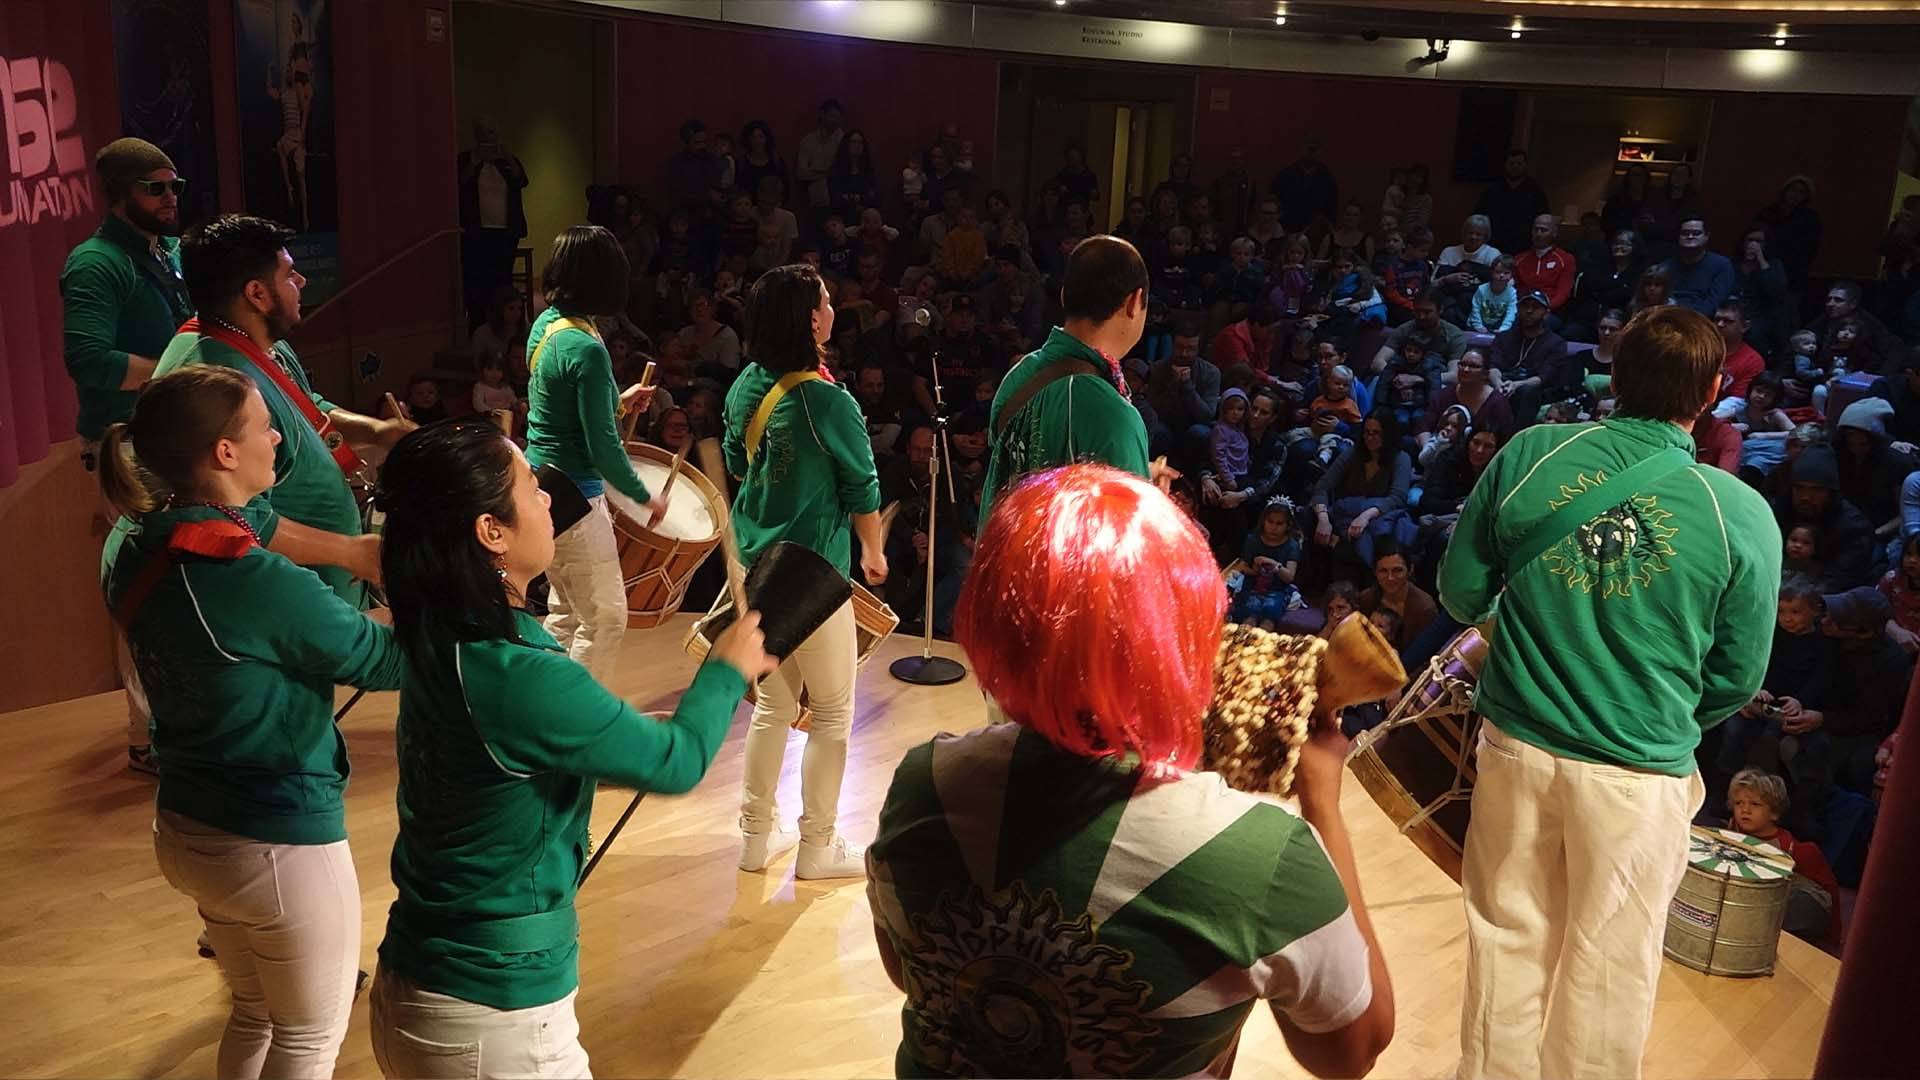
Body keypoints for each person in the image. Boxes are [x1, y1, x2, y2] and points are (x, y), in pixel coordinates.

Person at [867, 464, 1395, 1079]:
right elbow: (1351, 1051)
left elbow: (907, 969)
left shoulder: (925, 780)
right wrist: (1322, 806)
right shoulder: (1260, 853)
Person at [366, 420, 774, 1078]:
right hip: (491, 1012)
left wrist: (612, 741)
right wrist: (726, 670)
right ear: (489, 531)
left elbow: (497, 765)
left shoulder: (439, 628)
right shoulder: (519, 668)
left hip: (423, 986)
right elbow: (677, 763)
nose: (549, 499)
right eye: (531, 488)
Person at [1438, 305, 1779, 1080]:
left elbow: (1461, 592)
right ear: (1713, 390)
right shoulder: (1742, 513)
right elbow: (1737, 676)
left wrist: (1534, 640)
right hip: (1640, 773)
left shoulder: (1530, 452)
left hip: (1518, 747)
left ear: (1613, 374)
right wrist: (1648, 715)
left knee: (1506, 937)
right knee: (1609, 967)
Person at [102, 367, 404, 1076]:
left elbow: (251, 548)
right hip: (272, 839)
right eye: (264, 425)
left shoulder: (131, 541)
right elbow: (383, 661)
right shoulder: (246, 575)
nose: (278, 436)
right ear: (225, 454)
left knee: (257, 1014)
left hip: (187, 822)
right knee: (307, 1037)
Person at [723, 263, 890, 880]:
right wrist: (872, 551)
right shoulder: (826, 399)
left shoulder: (745, 386)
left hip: (756, 560)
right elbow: (863, 486)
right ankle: (817, 845)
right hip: (814, 570)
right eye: (824, 302)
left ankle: (753, 837)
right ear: (808, 319)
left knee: (772, 707)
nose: (832, 310)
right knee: (832, 712)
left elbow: (743, 467)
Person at [156, 214, 401, 607]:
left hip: (328, 589)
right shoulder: (212, 381)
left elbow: (305, 406)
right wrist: (348, 552)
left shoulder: (255, 339)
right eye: (289, 274)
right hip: (293, 600)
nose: (300, 282)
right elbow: (234, 517)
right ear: (257, 293)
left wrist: (377, 431)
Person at [61, 136, 197, 772]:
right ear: (117, 194)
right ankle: (149, 737)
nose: (171, 199)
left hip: (173, 438)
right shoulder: (95, 263)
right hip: (127, 448)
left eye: (174, 186)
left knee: (188, 591)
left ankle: (184, 725)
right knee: (146, 593)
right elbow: (88, 360)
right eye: (156, 188)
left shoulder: (165, 252)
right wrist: (177, 371)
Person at [521, 226, 663, 683]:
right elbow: (603, 447)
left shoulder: (547, 325)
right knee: (604, 619)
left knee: (565, 611)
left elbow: (560, 407)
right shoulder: (587, 347)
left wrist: (618, 400)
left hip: (538, 483)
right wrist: (644, 495)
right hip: (576, 496)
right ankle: (578, 724)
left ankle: (547, 708)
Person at [980, 235, 1158, 525]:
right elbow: (1129, 537)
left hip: (1002, 563)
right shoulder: (1111, 413)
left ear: (1064, 295)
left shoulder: (1020, 375)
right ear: (1134, 302)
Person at [457, 118, 529, 330]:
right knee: (477, 280)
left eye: (493, 133)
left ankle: (506, 324)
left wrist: (507, 158)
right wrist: (476, 161)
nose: (490, 138)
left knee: (503, 279)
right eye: (486, 133)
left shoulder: (506, 161)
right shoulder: (465, 159)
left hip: (506, 232)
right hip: (476, 232)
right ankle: (478, 325)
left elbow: (522, 180)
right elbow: (459, 183)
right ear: (477, 136)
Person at [1475, 149, 1550, 256]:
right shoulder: (1492, 190)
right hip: (1494, 244)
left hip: (1525, 246)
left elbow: (1544, 219)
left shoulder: (1536, 191)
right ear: (1505, 165)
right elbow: (1480, 217)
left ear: (1525, 165)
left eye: (1519, 163)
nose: (1515, 167)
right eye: (1511, 163)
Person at [1660, 218, 1735, 316]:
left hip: (1702, 321)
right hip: (1667, 317)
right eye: (1685, 233)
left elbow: (1714, 304)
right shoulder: (1666, 266)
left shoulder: (1722, 265)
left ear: (1706, 236)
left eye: (1696, 233)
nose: (1690, 236)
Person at [1271, 139, 1339, 234]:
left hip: (1315, 233)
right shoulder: (1285, 176)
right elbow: (1273, 203)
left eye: (1316, 149)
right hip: (1287, 229)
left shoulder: (1327, 180)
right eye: (1310, 149)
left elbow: (1330, 214)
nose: (1313, 153)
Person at [1513, 215, 1575, 319]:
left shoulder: (1565, 259)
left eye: (1543, 230)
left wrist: (1542, 309)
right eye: (1536, 229)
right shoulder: (1519, 259)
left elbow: (1563, 292)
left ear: (1554, 233)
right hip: (1522, 309)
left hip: (1550, 311)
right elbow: (1515, 289)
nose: (1538, 234)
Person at [795, 98, 845, 213]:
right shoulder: (808, 141)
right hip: (816, 201)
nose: (835, 121)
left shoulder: (844, 140)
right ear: (822, 115)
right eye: (832, 116)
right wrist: (829, 172)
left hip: (840, 200)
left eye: (838, 117)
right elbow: (801, 173)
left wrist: (815, 171)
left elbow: (845, 172)